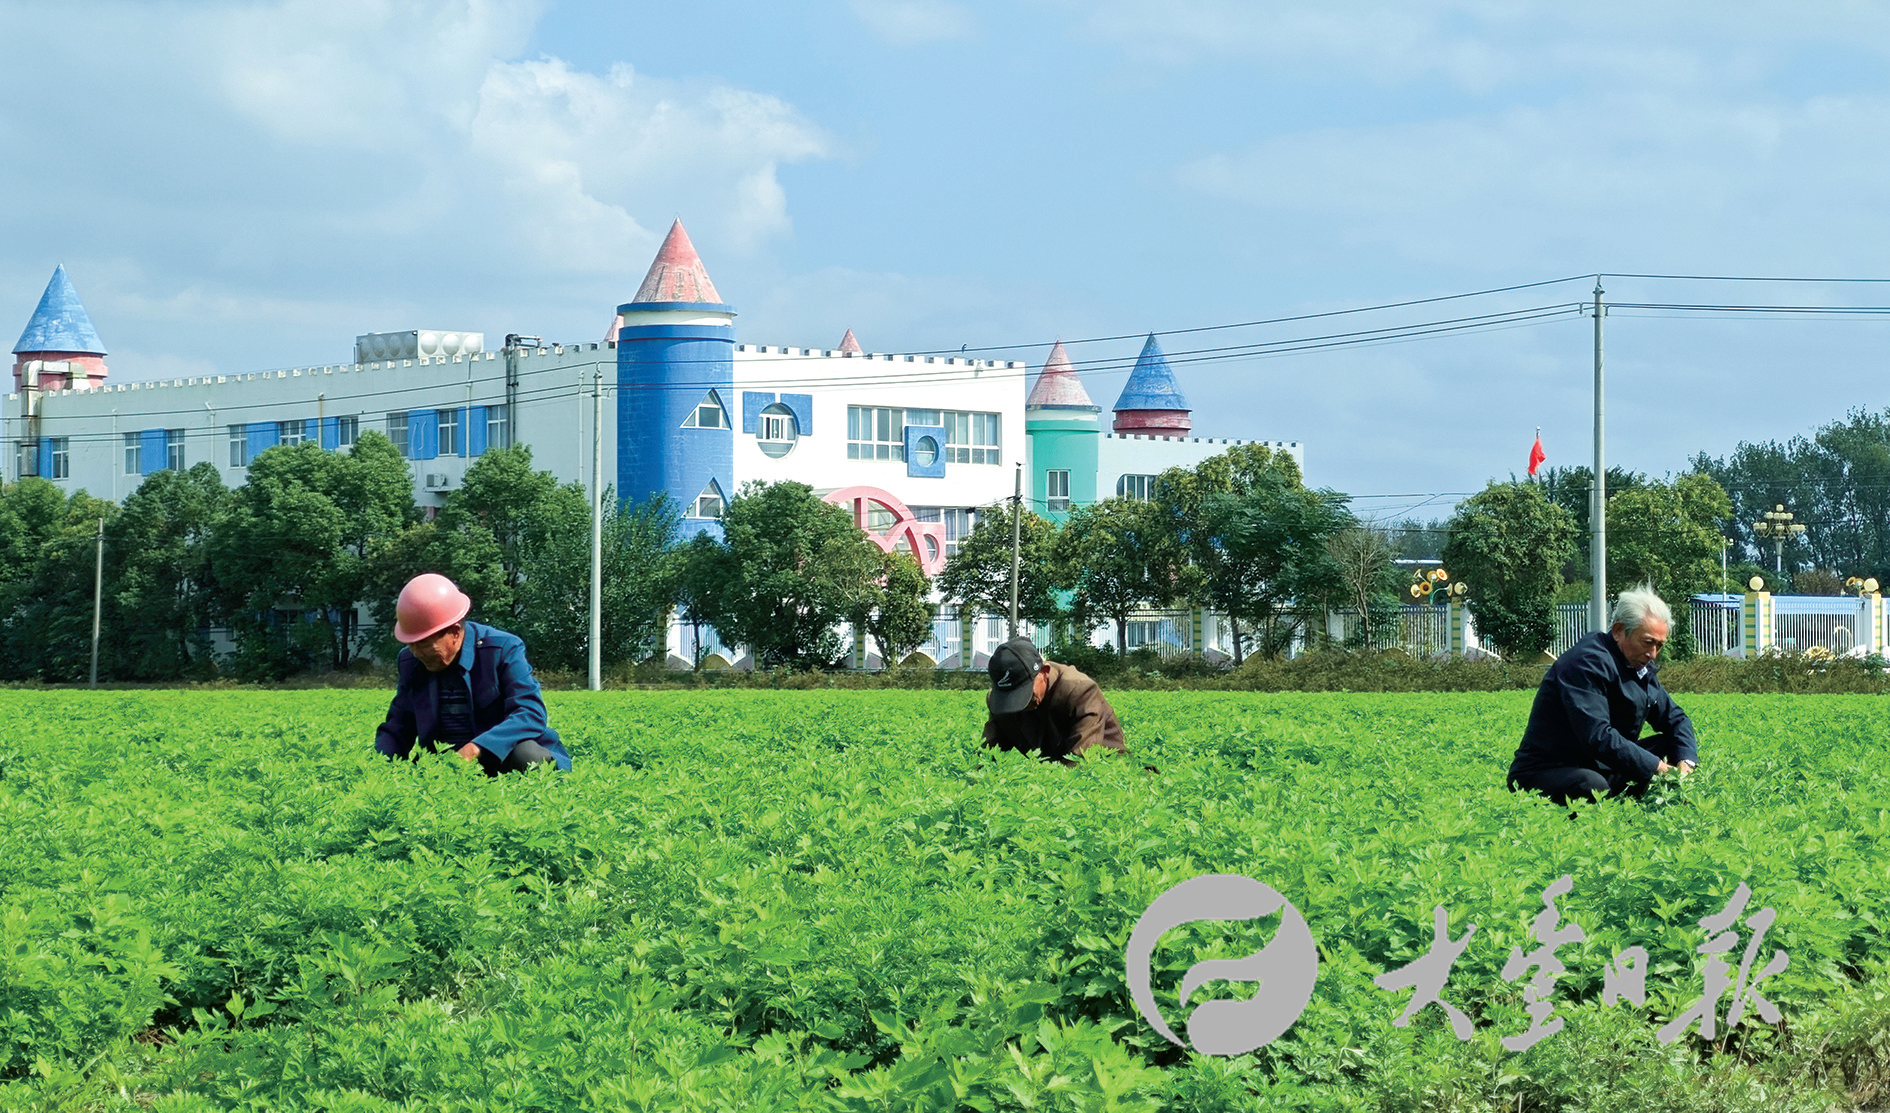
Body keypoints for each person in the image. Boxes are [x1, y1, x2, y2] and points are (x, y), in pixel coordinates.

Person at [1508, 584, 1696, 805]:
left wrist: (1685, 763)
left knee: (1672, 742)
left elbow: (1676, 719)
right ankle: (1622, 806)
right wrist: (1658, 767)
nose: (1653, 654)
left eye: (1659, 646)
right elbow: (1598, 736)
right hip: (1550, 769)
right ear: (1618, 631)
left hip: (1601, 764)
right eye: (1647, 643)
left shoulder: (1638, 665)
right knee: (1592, 786)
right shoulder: (1587, 662)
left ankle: (1672, 799)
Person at [374, 573, 572, 775]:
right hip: (444, 767)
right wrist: (378, 767)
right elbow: (398, 726)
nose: (416, 653)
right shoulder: (409, 662)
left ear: (455, 632)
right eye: (410, 644)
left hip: (500, 758)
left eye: (424, 644)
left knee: (528, 757)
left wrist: (477, 748)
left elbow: (530, 713)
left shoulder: (502, 649)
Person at [982, 636, 1131, 765]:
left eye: (1025, 693)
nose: (1021, 704)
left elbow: (1080, 760)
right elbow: (987, 756)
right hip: (1051, 775)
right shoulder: (1000, 703)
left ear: (1044, 672)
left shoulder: (1080, 691)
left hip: (1110, 777)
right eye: (1012, 697)